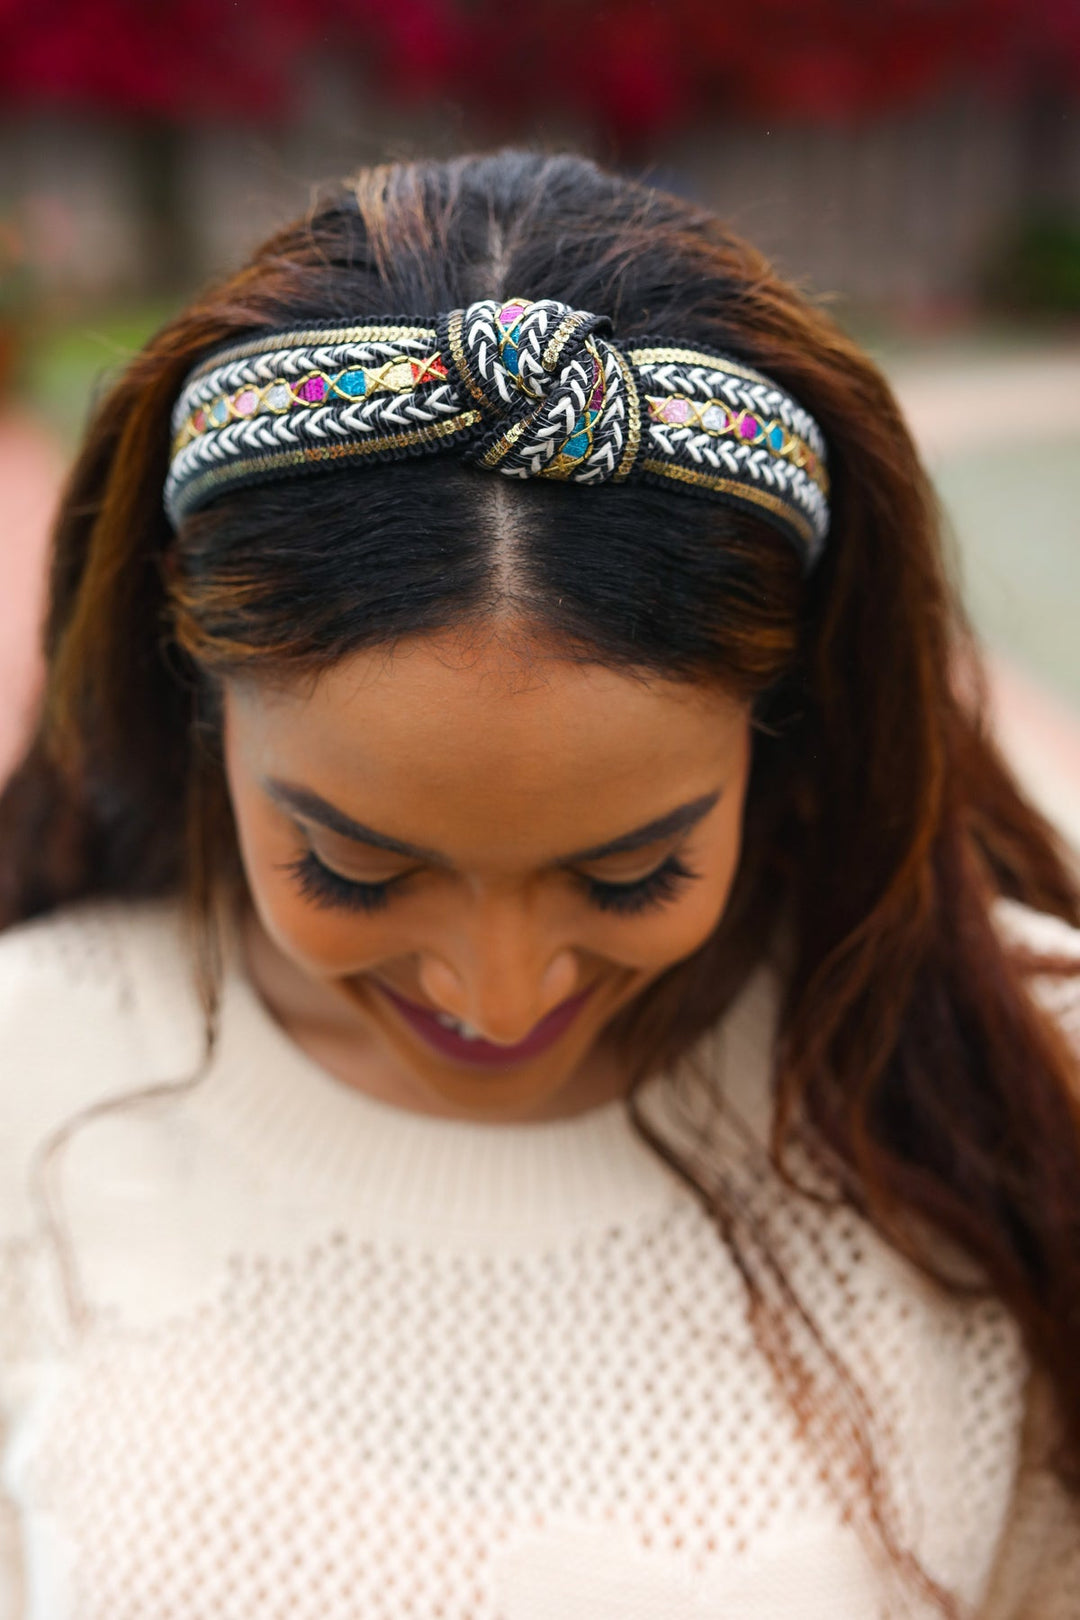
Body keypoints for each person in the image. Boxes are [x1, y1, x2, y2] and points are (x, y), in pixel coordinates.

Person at [0, 150, 1078, 1620]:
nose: (495, 993)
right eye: (352, 867)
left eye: (633, 874)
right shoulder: (33, 1074)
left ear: (793, 725)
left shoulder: (1020, 1088)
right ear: (196, 703)